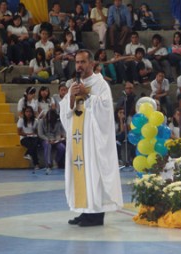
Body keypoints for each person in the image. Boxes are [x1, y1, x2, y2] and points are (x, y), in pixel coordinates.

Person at [59, 49, 122, 227]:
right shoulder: (73, 85)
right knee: (81, 174)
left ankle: (96, 214)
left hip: (94, 139)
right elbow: (66, 112)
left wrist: (87, 95)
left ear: (92, 64)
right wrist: (71, 96)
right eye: (77, 62)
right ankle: (85, 210)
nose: (79, 65)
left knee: (94, 173)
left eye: (82, 62)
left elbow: (106, 110)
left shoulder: (101, 84)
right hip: (79, 138)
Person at [38, 109, 66, 175]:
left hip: (54, 139)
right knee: (48, 145)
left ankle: (55, 161)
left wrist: (56, 140)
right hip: (45, 139)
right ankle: (48, 164)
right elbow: (40, 134)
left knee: (62, 147)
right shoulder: (41, 122)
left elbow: (58, 133)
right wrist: (48, 139)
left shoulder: (57, 122)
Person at [17, 106, 40, 173]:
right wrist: (27, 134)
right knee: (32, 145)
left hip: (33, 137)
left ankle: (27, 153)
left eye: (30, 111)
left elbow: (36, 131)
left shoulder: (35, 121)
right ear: (24, 113)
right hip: (24, 137)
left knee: (35, 143)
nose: (28, 113)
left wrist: (33, 134)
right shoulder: (21, 120)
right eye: (27, 111)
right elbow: (19, 132)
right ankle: (36, 164)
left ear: (32, 113)